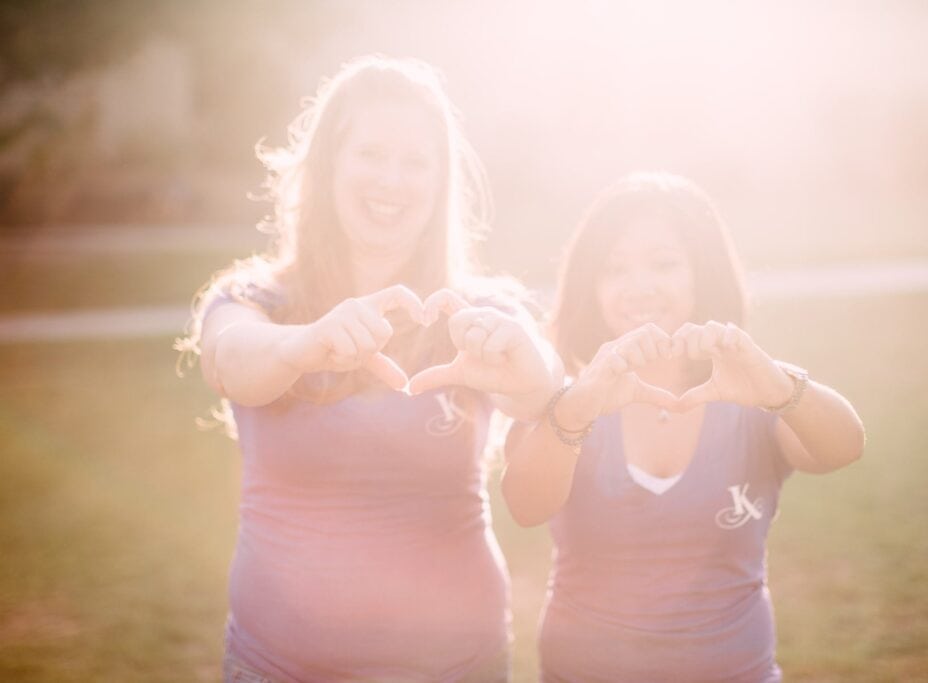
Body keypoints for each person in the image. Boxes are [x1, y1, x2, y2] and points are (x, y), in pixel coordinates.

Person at [180, 55, 561, 682]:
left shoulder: (482, 312)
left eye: (416, 162)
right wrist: (305, 345)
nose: (393, 179)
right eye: (372, 153)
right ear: (329, 163)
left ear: (441, 185)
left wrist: (529, 369)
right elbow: (228, 361)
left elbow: (541, 388)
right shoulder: (255, 302)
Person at [501, 172, 865, 682]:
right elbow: (524, 505)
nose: (639, 287)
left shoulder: (754, 390)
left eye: (664, 264)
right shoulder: (566, 397)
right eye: (613, 269)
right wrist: (575, 410)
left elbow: (844, 447)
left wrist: (781, 389)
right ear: (591, 285)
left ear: (703, 275)